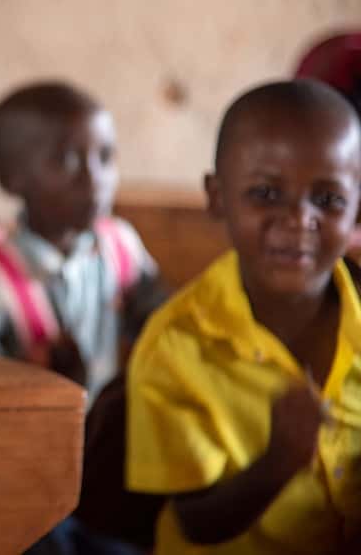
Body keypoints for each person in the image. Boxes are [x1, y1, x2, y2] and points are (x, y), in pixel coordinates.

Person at [126, 79, 361, 554]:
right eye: (267, 194)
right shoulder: (177, 345)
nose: (299, 219)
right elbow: (197, 522)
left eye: (329, 199)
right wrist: (282, 459)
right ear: (216, 196)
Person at [0, 82, 161, 400]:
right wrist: (32, 382)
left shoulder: (120, 246)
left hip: (101, 442)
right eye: (68, 161)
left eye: (105, 156)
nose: (95, 180)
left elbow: (156, 313)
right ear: (12, 179)